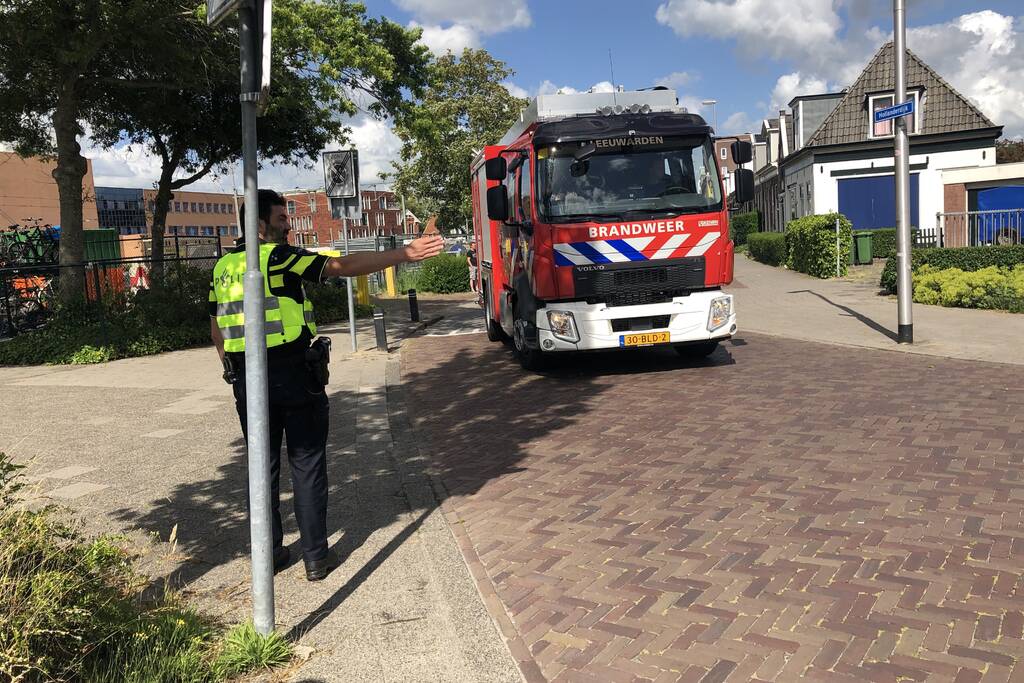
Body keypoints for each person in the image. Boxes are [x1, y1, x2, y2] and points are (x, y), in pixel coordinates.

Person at [209, 189, 443, 581]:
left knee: (261, 466)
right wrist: (405, 253)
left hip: (246, 377)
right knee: (307, 462)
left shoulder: (223, 266)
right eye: (281, 219)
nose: (288, 225)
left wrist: (230, 369)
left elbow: (216, 326)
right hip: (292, 374)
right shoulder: (279, 257)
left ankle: (269, 553)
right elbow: (341, 266)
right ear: (260, 225)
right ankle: (316, 557)